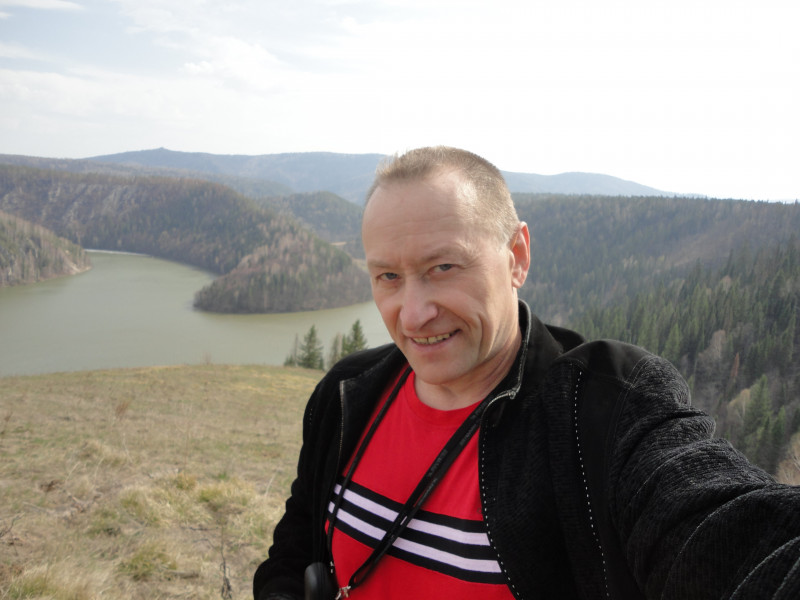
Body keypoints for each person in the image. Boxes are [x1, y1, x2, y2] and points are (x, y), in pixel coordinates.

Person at [253, 146, 800, 600]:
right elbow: (295, 549)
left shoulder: (602, 411)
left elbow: (724, 532)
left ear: (516, 255)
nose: (413, 314)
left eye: (443, 267)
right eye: (388, 277)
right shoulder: (348, 394)